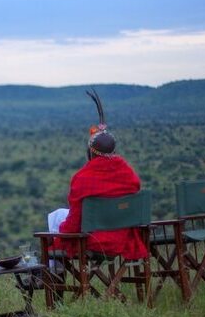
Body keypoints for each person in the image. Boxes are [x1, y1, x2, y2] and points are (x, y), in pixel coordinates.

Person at [53, 90, 148, 260]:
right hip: (124, 237)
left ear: (91, 152)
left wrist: (60, 235)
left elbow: (74, 222)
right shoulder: (129, 176)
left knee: (56, 218)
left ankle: (53, 274)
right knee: (60, 214)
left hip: (93, 240)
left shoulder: (82, 179)